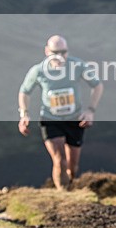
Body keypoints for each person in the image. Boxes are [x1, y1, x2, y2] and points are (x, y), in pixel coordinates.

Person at [18, 35, 104, 191]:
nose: (60, 56)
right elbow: (24, 92)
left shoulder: (77, 66)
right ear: (47, 51)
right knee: (59, 160)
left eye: (63, 52)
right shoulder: (38, 71)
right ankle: (61, 193)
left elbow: (97, 85)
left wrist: (90, 111)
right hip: (50, 119)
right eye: (55, 52)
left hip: (75, 119)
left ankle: (70, 185)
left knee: (72, 165)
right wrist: (24, 114)